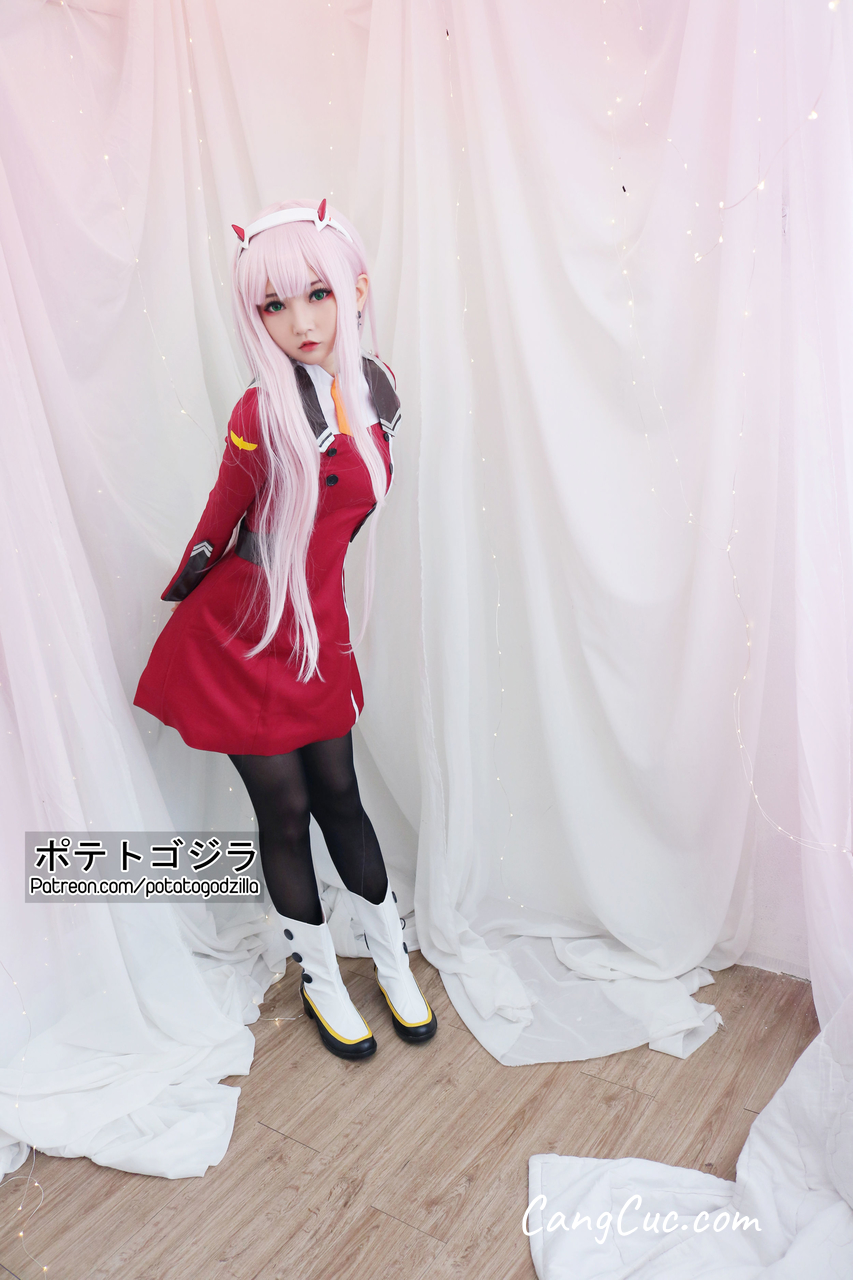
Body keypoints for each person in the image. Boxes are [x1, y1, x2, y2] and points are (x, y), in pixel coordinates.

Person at [134, 199, 436, 1060]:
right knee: (287, 808)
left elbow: (348, 519)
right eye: (274, 305)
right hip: (240, 631)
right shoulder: (259, 410)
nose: (300, 322)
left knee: (341, 795)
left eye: (316, 295)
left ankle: (392, 961)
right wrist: (186, 586)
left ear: (355, 291)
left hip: (317, 628)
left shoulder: (378, 389)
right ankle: (321, 979)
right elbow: (221, 515)